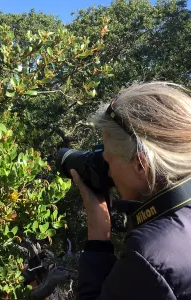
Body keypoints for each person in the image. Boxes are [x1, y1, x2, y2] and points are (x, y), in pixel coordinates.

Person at [71, 82, 191, 300]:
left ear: (140, 165)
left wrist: (98, 236)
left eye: (108, 160)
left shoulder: (150, 256)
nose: (108, 171)